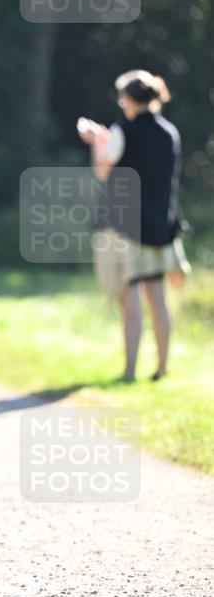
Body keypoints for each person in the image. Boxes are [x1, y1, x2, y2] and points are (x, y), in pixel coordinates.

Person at [77, 69, 190, 382]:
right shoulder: (170, 131)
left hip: (127, 228)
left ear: (128, 99)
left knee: (130, 300)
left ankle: (129, 372)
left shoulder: (122, 130)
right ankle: (162, 368)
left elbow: (102, 171)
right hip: (161, 226)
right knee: (157, 298)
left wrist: (95, 141)